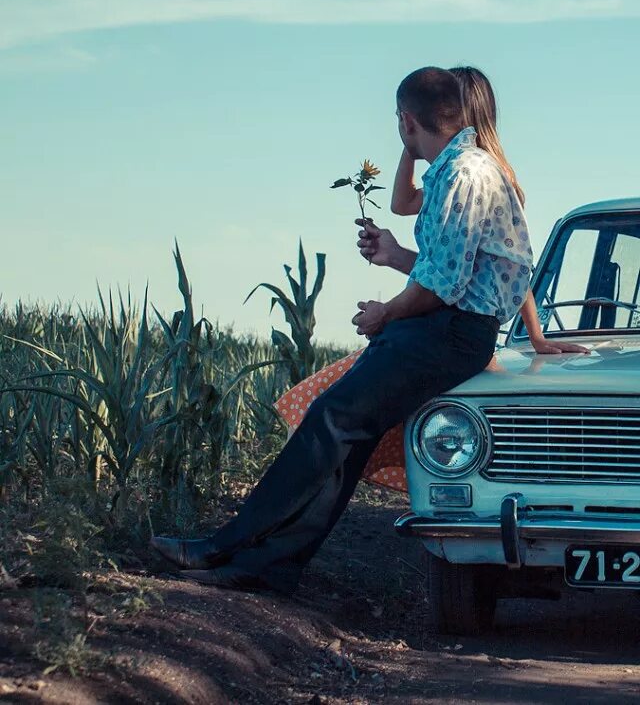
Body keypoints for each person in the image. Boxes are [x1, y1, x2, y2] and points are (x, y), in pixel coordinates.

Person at [151, 66, 533, 594]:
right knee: (346, 433)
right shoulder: (457, 168)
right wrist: (400, 266)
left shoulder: (466, 173)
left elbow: (441, 288)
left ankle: (225, 546)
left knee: (331, 418)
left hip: (448, 331)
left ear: (406, 120)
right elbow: (453, 268)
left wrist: (385, 313)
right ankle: (268, 565)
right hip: (445, 327)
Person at [276, 66, 588, 496]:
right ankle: (269, 537)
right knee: (336, 411)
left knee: (338, 412)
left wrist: (534, 336)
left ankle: (261, 539)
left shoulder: (475, 175)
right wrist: (414, 141)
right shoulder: (450, 171)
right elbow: (417, 222)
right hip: (438, 317)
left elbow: (510, 271)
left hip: (452, 325)